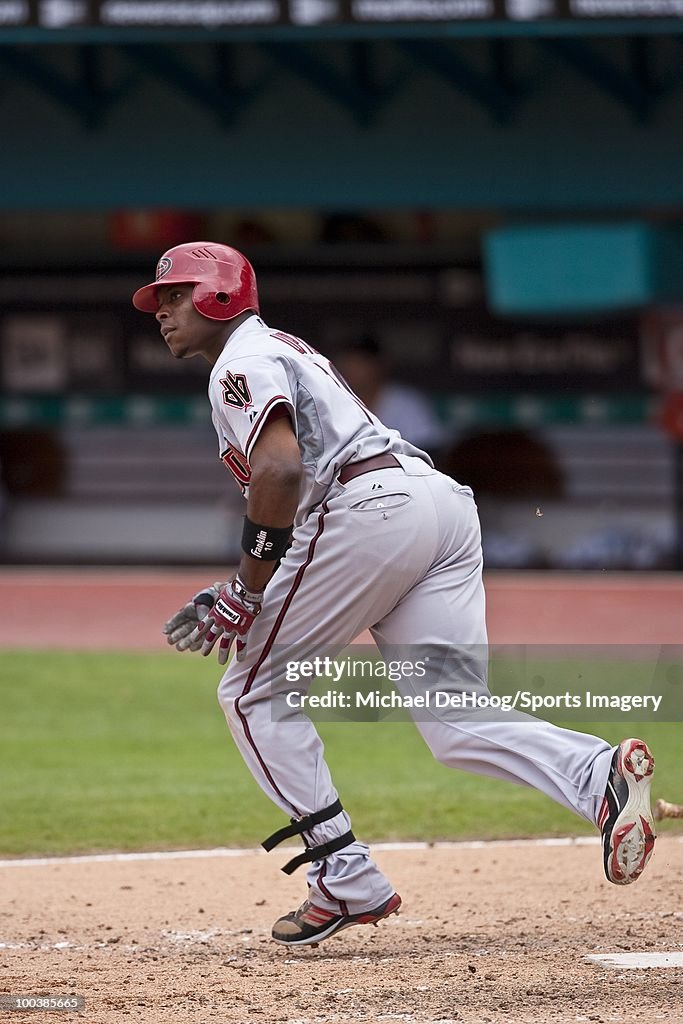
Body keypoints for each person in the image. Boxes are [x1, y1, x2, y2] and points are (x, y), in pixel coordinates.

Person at [132, 243, 656, 948]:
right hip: (429, 506)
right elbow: (294, 492)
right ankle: (598, 779)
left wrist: (247, 587)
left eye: (176, 294)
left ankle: (344, 880)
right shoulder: (278, 348)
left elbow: (281, 473)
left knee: (252, 693)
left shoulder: (240, 361)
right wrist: (251, 582)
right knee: (454, 714)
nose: (161, 309)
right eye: (159, 299)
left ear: (221, 296)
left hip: (368, 512)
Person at [334, 335, 447, 459]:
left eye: (358, 362)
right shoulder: (334, 404)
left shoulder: (406, 403)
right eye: (346, 362)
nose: (350, 369)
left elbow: (428, 449)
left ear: (378, 365)